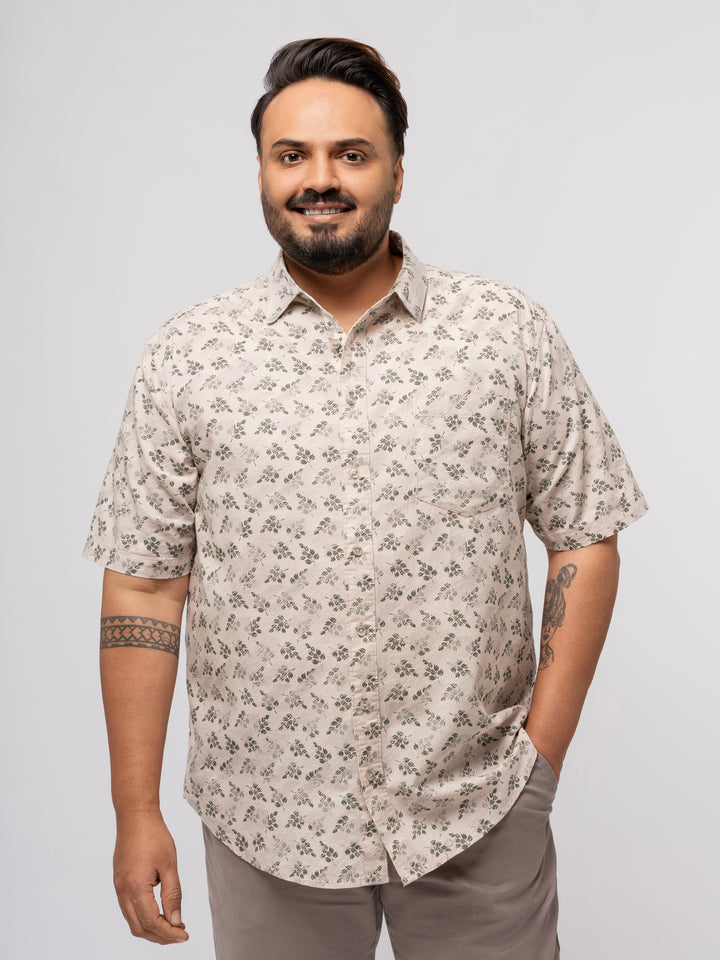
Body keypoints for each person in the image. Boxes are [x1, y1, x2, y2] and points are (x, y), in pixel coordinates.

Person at [84, 37, 648, 960]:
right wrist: (135, 810)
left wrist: (537, 763)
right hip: (265, 821)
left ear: (397, 171)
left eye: (352, 153)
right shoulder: (188, 356)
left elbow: (586, 531)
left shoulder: (504, 334)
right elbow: (144, 586)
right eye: (292, 155)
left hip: (476, 811)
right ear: (261, 172)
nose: (321, 179)